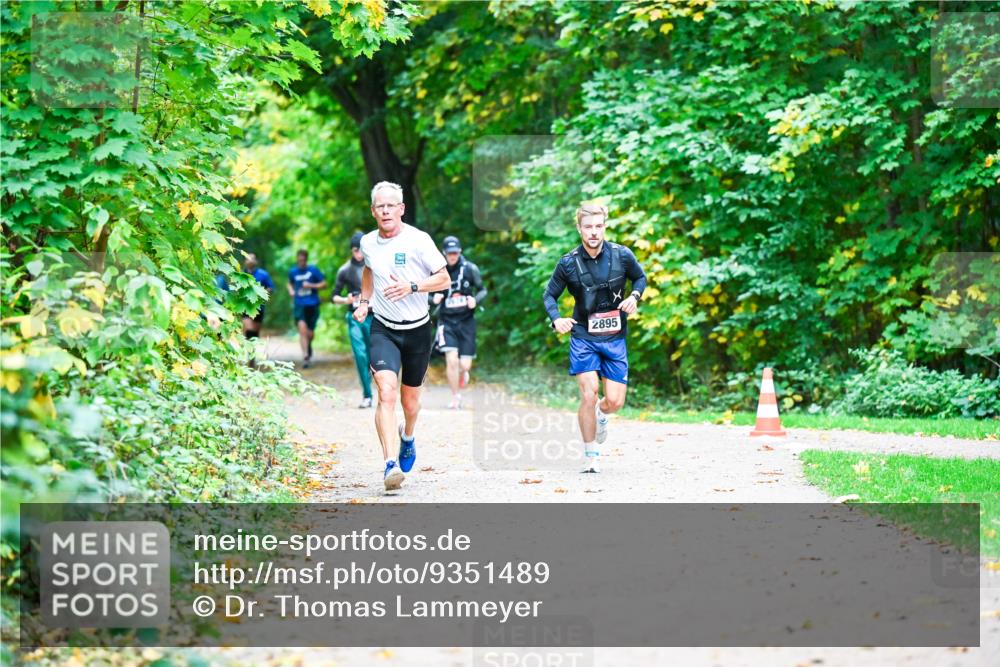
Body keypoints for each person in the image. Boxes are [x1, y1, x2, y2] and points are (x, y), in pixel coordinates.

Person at [353, 181, 450, 491]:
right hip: (384, 328)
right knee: (386, 391)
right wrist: (365, 302)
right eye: (380, 206)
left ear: (401, 209)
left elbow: (444, 278)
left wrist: (412, 286)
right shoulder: (368, 243)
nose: (385, 210)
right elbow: (369, 270)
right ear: (373, 211)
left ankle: (407, 435)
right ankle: (389, 464)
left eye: (390, 205)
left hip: (418, 330)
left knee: (410, 403)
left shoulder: (418, 241)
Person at [542, 203, 647, 473]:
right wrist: (557, 319)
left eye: (598, 226)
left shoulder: (622, 255)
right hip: (583, 336)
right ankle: (591, 456)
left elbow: (640, 278)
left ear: (604, 226)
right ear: (579, 228)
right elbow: (549, 295)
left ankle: (602, 414)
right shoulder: (568, 263)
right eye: (588, 227)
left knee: (615, 401)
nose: (594, 232)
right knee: (588, 394)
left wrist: (634, 297)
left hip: (614, 337)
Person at [431, 235, 486, 409]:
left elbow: (483, 290)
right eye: (449, 253)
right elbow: (423, 292)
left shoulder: (470, 269)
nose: (452, 256)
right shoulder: (437, 271)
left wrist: (475, 300)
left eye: (455, 253)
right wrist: (434, 298)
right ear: (444, 253)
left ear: (460, 252)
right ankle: (455, 396)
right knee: (451, 360)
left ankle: (464, 372)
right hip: (446, 321)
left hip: (466, 321)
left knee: (464, 364)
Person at [332, 232, 374, 408]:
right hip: (355, 316)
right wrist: (346, 300)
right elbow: (334, 296)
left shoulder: (374, 266)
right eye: (357, 250)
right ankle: (367, 395)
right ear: (352, 250)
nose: (359, 254)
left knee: (374, 357)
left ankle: (374, 382)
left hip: (374, 316)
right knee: (360, 355)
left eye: (362, 250)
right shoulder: (345, 270)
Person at [287, 249, 326, 368]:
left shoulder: (313, 270)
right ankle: (305, 357)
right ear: (297, 259)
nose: (301, 261)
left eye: (303, 260)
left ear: (306, 259)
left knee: (310, 333)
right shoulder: (293, 271)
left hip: (313, 304)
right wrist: (291, 291)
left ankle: (308, 346)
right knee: (302, 330)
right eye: (299, 259)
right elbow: (289, 283)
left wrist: (311, 285)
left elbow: (324, 284)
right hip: (299, 304)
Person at [243, 252, 274, 340]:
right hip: (245, 306)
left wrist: (261, 293)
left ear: (256, 261)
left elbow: (271, 288)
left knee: (255, 333)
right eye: (248, 258)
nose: (250, 260)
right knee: (249, 330)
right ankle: (248, 351)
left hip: (259, 306)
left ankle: (253, 351)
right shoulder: (241, 275)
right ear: (245, 261)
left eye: (252, 258)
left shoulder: (263, 274)